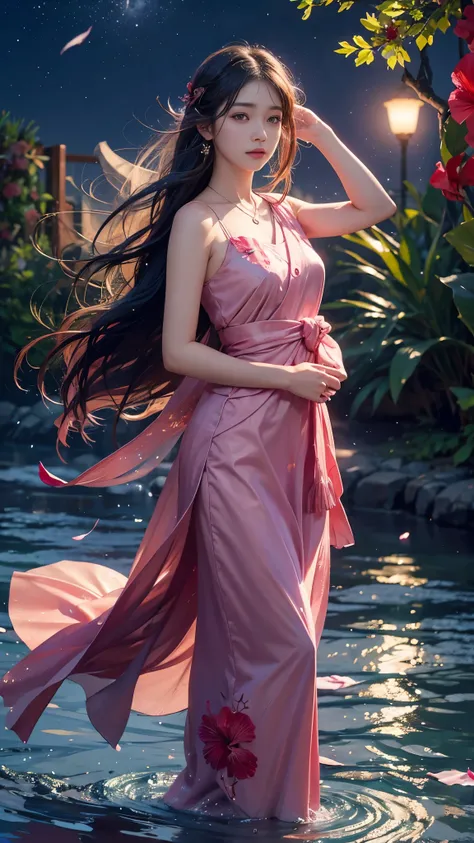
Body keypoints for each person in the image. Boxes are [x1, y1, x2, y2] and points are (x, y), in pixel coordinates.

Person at [0, 43, 396, 824]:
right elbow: (182, 350)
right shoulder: (198, 221)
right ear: (207, 124)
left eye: (271, 118)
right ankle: (269, 814)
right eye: (240, 115)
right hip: (236, 447)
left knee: (276, 638)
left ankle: (245, 805)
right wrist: (285, 377)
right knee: (289, 645)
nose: (258, 133)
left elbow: (375, 205)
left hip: (297, 451)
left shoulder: (280, 211)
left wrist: (317, 132)